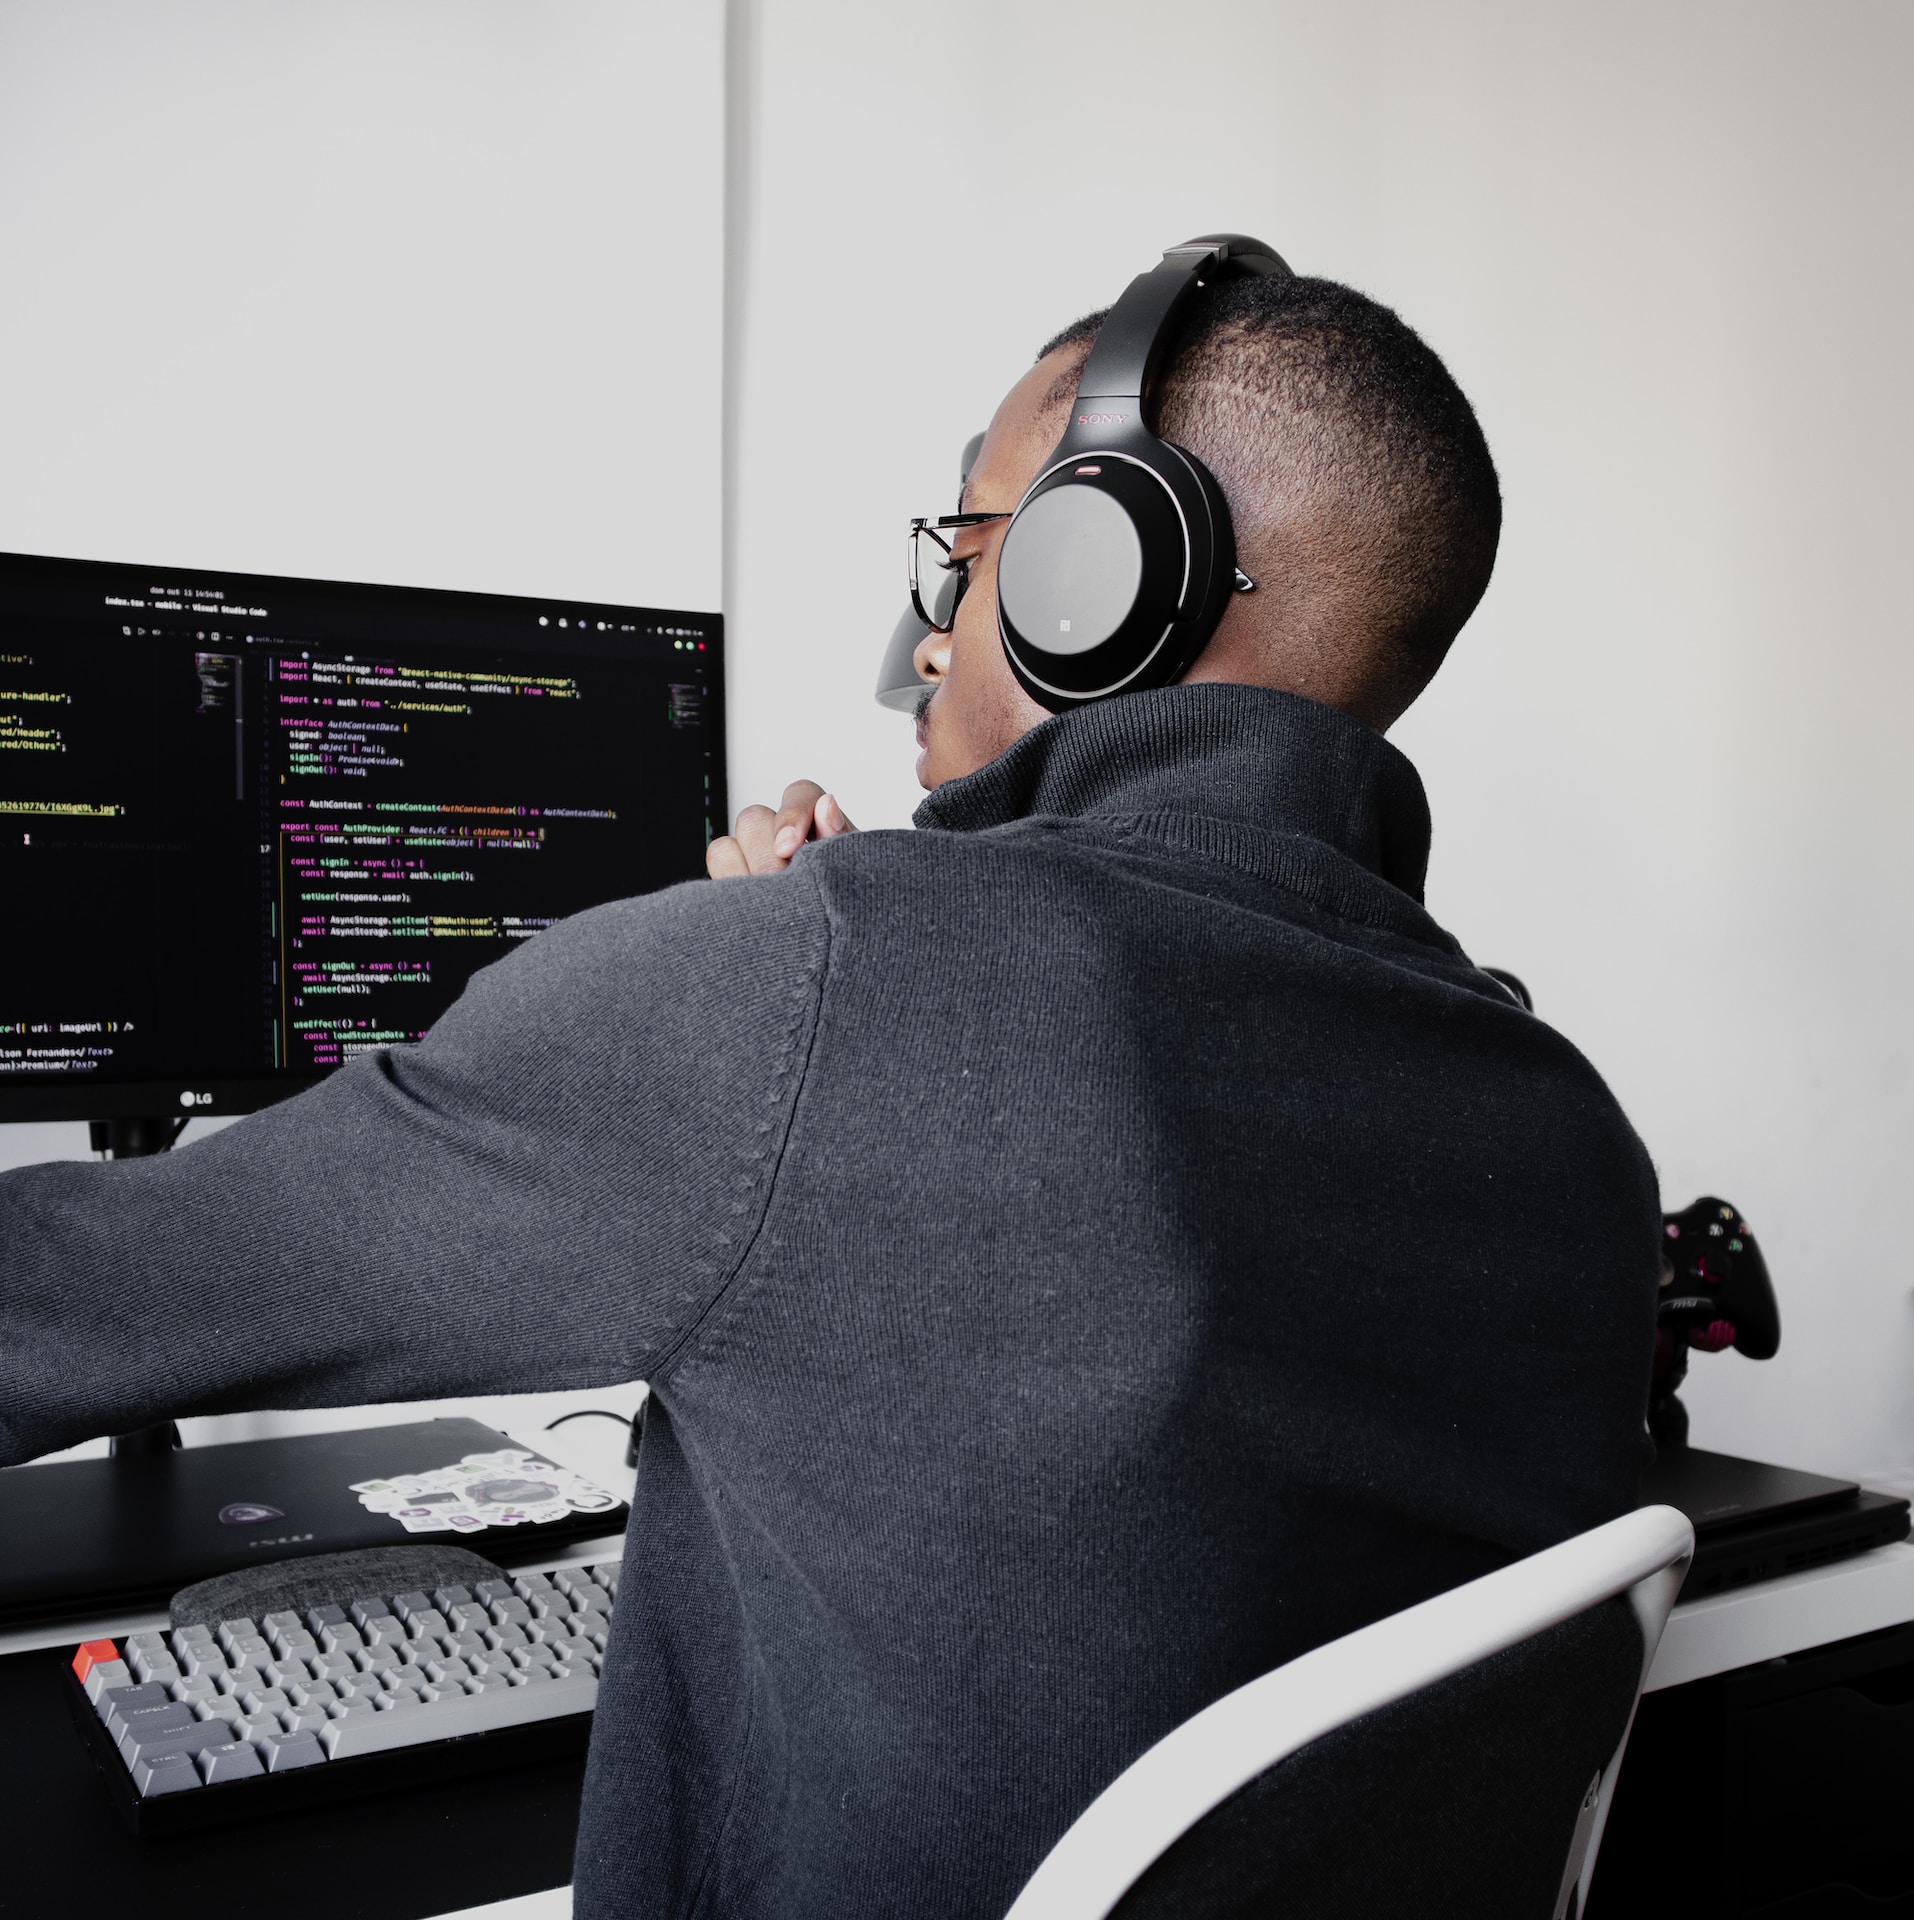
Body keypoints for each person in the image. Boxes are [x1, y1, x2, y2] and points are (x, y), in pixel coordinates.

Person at [0, 268, 1658, 1920]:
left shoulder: (803, 988)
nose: (933, 629)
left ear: (1113, 568)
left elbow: (68, 1299)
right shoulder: (1564, 1121)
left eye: (975, 545)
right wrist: (884, 963)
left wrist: (806, 973)